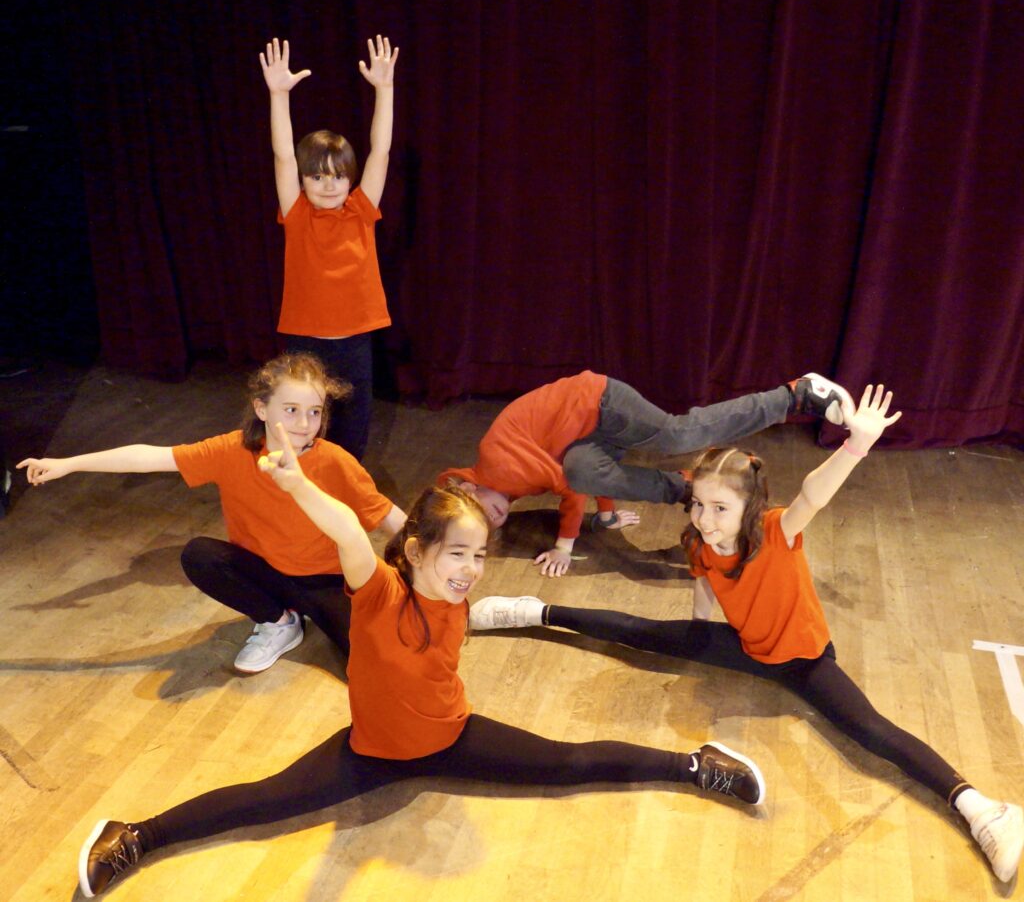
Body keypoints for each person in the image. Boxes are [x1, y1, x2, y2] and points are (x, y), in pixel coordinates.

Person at [77, 426, 767, 897]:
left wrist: (535, 608)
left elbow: (481, 618)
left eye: (478, 555)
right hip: (370, 753)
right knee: (262, 801)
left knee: (570, 765)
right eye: (457, 553)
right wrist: (295, 485)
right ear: (413, 551)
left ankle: (698, 766)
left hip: (453, 737)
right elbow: (349, 529)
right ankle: (135, 836)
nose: (471, 568)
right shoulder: (377, 592)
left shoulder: (457, 601)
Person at [471, 384, 1023, 883]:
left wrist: (855, 446)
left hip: (801, 660)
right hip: (744, 646)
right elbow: (706, 585)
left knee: (868, 731)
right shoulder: (699, 541)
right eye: (699, 506)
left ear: (748, 507)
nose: (706, 519)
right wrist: (698, 633)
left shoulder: (775, 530)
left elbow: (814, 495)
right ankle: (533, 612)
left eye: (719, 508)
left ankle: (982, 808)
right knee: (641, 634)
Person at [18, 352, 405, 674]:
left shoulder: (335, 461)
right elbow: (150, 457)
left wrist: (432, 564)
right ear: (261, 408)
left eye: (314, 412)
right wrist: (68, 463)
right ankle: (279, 622)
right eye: (291, 410)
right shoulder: (230, 451)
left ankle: (309, 615)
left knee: (376, 665)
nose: (305, 424)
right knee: (200, 555)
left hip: (326, 581)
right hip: (266, 573)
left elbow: (387, 517)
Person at [441, 370, 852, 577]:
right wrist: (606, 516)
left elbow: (565, 487)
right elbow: (577, 473)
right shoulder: (505, 487)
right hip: (584, 433)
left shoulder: (494, 465)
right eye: (489, 525)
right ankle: (686, 489)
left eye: (477, 511)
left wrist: (565, 545)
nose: (491, 519)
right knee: (583, 468)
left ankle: (796, 393)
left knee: (678, 434)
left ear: (466, 486)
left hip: (597, 402)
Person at [259, 35, 399, 460]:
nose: (328, 185)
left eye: (337, 176)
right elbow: (283, 155)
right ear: (304, 181)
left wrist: (384, 89)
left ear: (350, 179)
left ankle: (345, 492)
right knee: (300, 427)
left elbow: (382, 150)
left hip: (354, 340)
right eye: (317, 176)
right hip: (305, 340)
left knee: (352, 426)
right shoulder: (298, 213)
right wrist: (278, 95)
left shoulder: (360, 209)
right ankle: (299, 491)